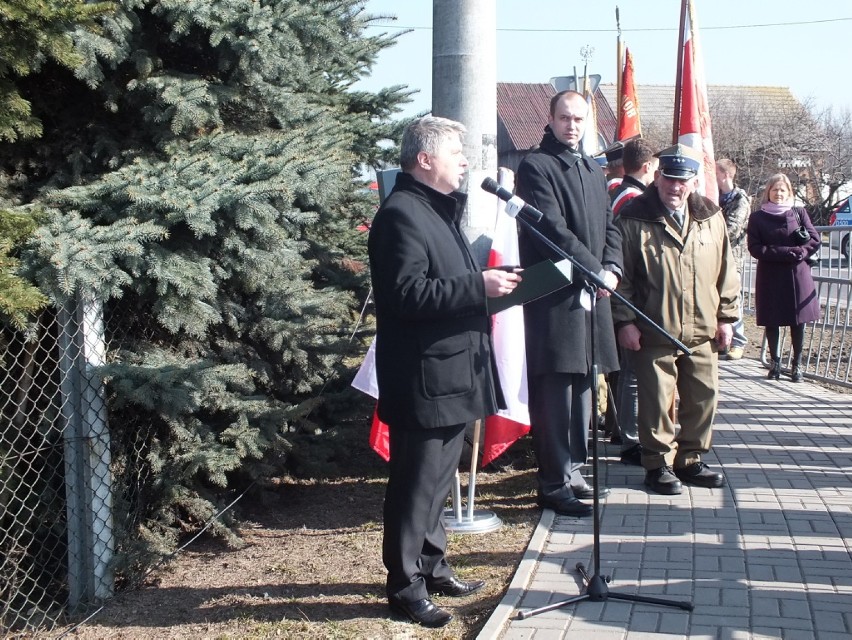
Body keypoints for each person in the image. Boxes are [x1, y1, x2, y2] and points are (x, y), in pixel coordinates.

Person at [368, 116, 521, 627]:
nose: (464, 162)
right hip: (423, 378)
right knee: (416, 485)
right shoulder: (401, 216)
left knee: (439, 481)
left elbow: (445, 282)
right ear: (425, 159)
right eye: (456, 153)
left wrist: (491, 285)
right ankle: (404, 585)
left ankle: (432, 566)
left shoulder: (438, 210)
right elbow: (406, 295)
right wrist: (480, 286)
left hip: (452, 373)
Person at [515, 90, 623, 517]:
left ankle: (574, 471)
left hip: (592, 295)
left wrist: (611, 266)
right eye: (565, 118)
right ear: (550, 118)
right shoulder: (537, 166)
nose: (572, 126)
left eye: (579, 119)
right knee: (557, 393)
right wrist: (595, 269)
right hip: (556, 299)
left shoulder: (591, 168)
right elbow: (552, 230)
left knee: (583, 390)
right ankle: (553, 481)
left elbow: (610, 225)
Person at [612, 143, 740, 495]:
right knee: (655, 403)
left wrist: (727, 317)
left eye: (683, 180)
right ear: (657, 177)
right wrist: (624, 321)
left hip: (702, 330)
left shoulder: (711, 217)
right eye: (669, 178)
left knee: (703, 398)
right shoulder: (634, 217)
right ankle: (657, 465)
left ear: (694, 181)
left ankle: (691, 460)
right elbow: (620, 277)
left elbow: (726, 271)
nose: (675, 187)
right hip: (653, 329)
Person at [607, 138, 658, 466]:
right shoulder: (631, 198)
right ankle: (629, 439)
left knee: (626, 372)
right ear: (648, 166)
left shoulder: (618, 191)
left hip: (625, 290)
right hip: (630, 292)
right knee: (631, 373)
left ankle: (620, 429)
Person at [746, 173, 821, 382]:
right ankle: (775, 363)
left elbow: (814, 239)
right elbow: (754, 247)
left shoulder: (798, 212)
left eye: (783, 190)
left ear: (789, 192)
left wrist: (802, 252)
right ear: (768, 192)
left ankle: (797, 366)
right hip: (770, 275)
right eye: (775, 189)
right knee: (773, 320)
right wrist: (783, 252)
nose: (778, 193)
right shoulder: (757, 217)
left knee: (798, 321)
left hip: (797, 275)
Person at [716, 159, 752, 360]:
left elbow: (733, 227)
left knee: (732, 298)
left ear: (726, 174)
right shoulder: (717, 197)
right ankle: (722, 340)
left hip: (732, 259)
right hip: (715, 257)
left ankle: (738, 341)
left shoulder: (740, 199)